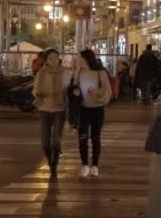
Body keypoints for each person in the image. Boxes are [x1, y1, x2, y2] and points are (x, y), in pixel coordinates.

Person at [72, 49, 112, 178]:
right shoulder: (78, 72)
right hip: (82, 109)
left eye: (80, 58)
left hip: (97, 109)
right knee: (82, 137)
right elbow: (73, 87)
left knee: (95, 137)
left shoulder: (100, 72)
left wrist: (97, 93)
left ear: (86, 58)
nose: (78, 60)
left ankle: (95, 165)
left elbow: (107, 91)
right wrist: (75, 91)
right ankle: (84, 164)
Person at [32, 48, 71, 179]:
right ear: (47, 60)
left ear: (59, 58)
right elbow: (35, 89)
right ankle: (50, 159)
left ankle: (54, 164)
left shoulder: (65, 73)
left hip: (60, 109)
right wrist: (38, 94)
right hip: (44, 108)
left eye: (55, 57)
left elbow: (69, 89)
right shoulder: (41, 74)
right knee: (45, 142)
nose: (53, 61)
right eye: (50, 58)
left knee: (56, 140)